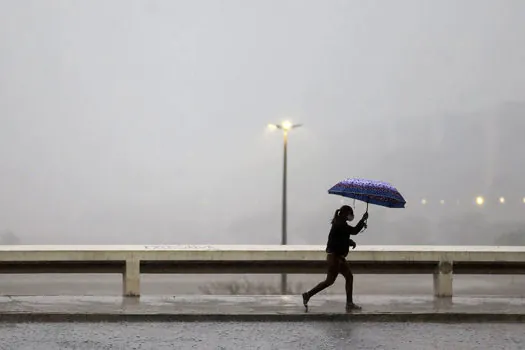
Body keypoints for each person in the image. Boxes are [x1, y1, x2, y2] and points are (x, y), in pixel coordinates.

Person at [302, 205, 368, 312]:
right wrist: (362, 220)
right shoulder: (340, 224)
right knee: (334, 280)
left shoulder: (340, 223)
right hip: (335, 258)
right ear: (346, 214)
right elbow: (354, 231)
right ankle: (308, 295)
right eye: (351, 214)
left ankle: (308, 295)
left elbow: (341, 238)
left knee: (339, 279)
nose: (352, 216)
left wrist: (349, 242)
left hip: (337, 258)